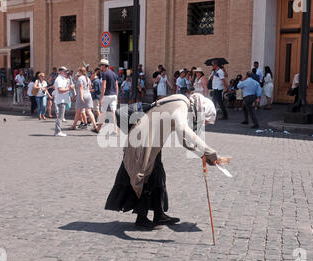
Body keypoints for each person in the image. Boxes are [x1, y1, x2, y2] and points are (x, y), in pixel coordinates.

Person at [105, 93, 231, 229]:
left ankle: (159, 215)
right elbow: (183, 131)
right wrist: (212, 154)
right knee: (145, 177)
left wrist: (203, 155)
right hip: (142, 143)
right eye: (204, 121)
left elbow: (182, 139)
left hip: (150, 142)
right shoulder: (182, 106)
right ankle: (141, 218)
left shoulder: (182, 101)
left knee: (158, 175)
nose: (203, 124)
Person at [93, 59, 119, 135]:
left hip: (107, 95)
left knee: (103, 113)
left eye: (101, 65)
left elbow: (103, 87)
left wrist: (100, 99)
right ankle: (116, 130)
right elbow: (117, 86)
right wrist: (117, 96)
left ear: (104, 66)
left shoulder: (104, 74)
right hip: (114, 95)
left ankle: (98, 129)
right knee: (113, 113)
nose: (100, 67)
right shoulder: (114, 74)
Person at [71, 67, 97, 131]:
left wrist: (81, 97)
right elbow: (90, 87)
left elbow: (81, 88)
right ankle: (95, 125)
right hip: (88, 95)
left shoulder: (80, 78)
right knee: (89, 111)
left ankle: (74, 126)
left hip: (82, 95)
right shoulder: (88, 78)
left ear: (80, 72)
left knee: (78, 112)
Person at [54, 67, 74, 137]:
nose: (66, 73)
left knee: (61, 116)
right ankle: (57, 131)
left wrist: (69, 85)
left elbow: (64, 87)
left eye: (66, 71)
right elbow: (60, 90)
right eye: (65, 71)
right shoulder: (59, 79)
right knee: (60, 117)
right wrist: (69, 88)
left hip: (63, 99)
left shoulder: (63, 79)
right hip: (61, 100)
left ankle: (57, 131)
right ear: (60, 72)